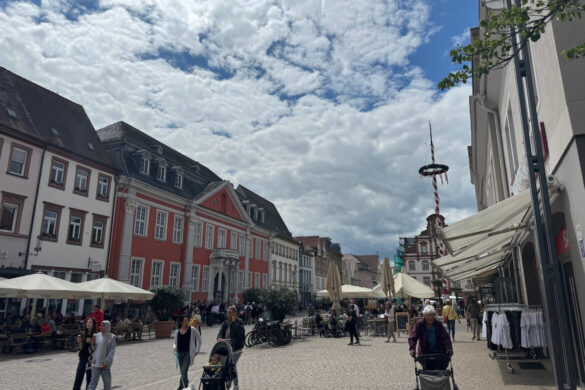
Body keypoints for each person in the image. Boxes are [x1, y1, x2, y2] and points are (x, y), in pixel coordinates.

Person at [217, 306, 245, 390]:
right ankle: (235, 384)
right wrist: (219, 337)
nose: (228, 314)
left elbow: (240, 332)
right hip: (226, 349)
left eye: (230, 312)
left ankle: (228, 386)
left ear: (234, 313)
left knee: (230, 366)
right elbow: (221, 332)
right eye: (227, 312)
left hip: (236, 349)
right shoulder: (225, 323)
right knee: (232, 366)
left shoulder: (239, 322)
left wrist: (234, 322)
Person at [173, 313, 202, 390]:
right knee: (182, 372)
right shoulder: (177, 332)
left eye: (187, 320)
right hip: (179, 354)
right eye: (185, 321)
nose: (187, 322)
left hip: (188, 353)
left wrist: (197, 350)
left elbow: (199, 339)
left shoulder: (192, 329)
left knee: (183, 370)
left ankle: (181, 387)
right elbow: (174, 343)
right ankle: (187, 384)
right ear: (181, 322)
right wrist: (174, 348)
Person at [87, 320, 115, 390]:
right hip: (95, 363)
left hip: (105, 365)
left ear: (107, 327)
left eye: (103, 326)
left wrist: (107, 362)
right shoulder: (97, 335)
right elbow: (94, 349)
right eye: (101, 325)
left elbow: (112, 351)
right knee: (93, 382)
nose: (101, 327)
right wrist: (92, 343)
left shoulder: (111, 337)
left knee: (107, 383)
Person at [73, 317, 96, 390]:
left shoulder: (95, 335)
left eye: (90, 322)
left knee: (89, 378)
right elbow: (81, 347)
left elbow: (95, 347)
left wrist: (91, 342)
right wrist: (79, 342)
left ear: (93, 324)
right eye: (87, 322)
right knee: (79, 376)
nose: (88, 324)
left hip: (90, 359)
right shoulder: (83, 333)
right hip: (83, 357)